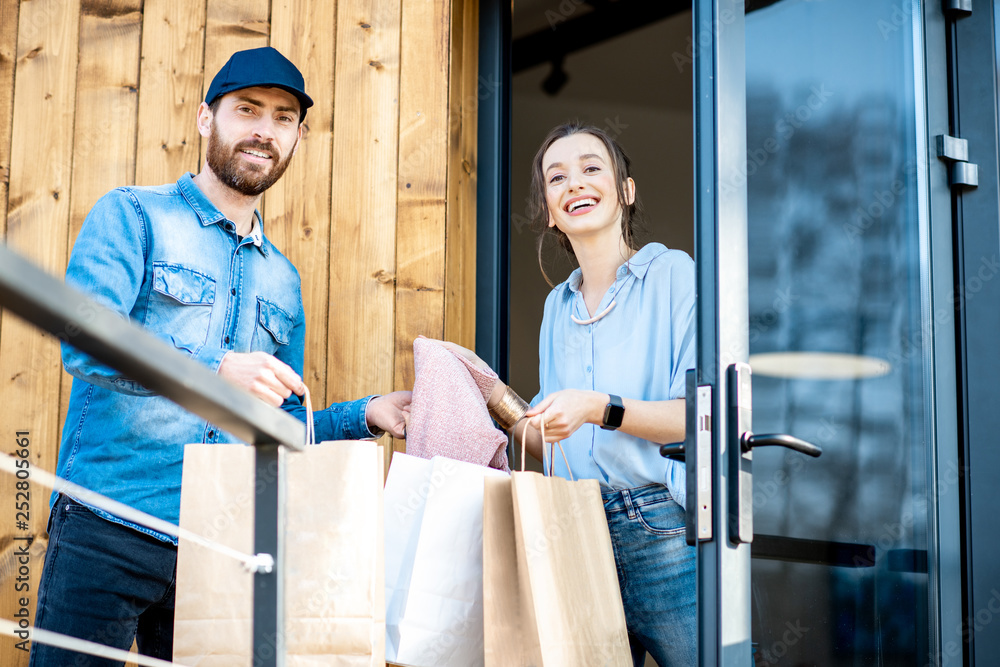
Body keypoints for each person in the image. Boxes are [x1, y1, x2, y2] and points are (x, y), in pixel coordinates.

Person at [30, 46, 410, 666]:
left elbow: (275, 431)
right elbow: (83, 340)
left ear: (298, 136)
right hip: (107, 524)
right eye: (247, 110)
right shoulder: (133, 216)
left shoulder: (283, 282)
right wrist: (213, 367)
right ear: (207, 119)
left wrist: (366, 415)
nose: (265, 130)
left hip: (219, 547)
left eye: (284, 118)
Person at [441, 121, 696, 666]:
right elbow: (554, 445)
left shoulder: (673, 273)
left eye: (590, 168)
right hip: (579, 530)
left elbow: (700, 416)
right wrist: (478, 404)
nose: (574, 183)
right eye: (556, 178)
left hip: (665, 533)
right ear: (551, 211)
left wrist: (598, 408)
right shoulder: (557, 306)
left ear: (625, 190)